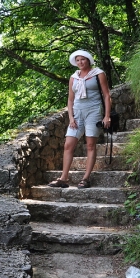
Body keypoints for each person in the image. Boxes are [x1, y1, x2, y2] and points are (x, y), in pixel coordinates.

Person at [48, 50, 112, 189]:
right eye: (78, 60)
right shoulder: (74, 77)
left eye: (83, 59)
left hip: (94, 111)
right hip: (77, 113)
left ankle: (85, 178)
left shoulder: (98, 74)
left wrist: (107, 116)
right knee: (68, 144)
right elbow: (70, 100)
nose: (80, 62)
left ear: (88, 60)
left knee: (90, 145)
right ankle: (64, 178)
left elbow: (107, 95)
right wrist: (71, 117)